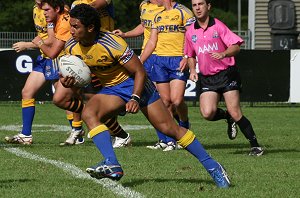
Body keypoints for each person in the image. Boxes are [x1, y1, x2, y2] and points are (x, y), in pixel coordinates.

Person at [65, 4, 231, 188]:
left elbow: (139, 72)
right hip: (112, 89)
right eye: (70, 26)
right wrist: (69, 82)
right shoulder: (71, 47)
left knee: (170, 130)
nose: (71, 30)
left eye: (75, 26)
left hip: (137, 85)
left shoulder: (112, 43)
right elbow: (76, 75)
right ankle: (111, 162)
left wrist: (135, 97)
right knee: (90, 113)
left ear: (90, 28)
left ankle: (213, 166)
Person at [184, 0, 264, 156]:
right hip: (207, 77)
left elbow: (236, 46)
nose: (198, 8)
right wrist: (192, 69)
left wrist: (224, 53)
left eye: (201, 4)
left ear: (208, 6)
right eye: (194, 5)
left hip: (226, 74)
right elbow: (190, 55)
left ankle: (255, 146)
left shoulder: (218, 26)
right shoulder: (190, 32)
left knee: (235, 111)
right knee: (207, 113)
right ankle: (227, 117)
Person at [4, 0, 79, 145]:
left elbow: (51, 40)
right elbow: (44, 37)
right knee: (27, 91)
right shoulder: (37, 9)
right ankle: (26, 135)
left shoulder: (59, 11)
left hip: (59, 57)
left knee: (63, 98)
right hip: (44, 57)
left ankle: (77, 132)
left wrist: (28, 45)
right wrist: (37, 44)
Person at [70, 0, 132, 148]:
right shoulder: (76, 4)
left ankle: (114, 130)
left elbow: (94, 8)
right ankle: (84, 128)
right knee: (66, 98)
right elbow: (75, 18)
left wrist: (82, 12)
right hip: (86, 51)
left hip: (106, 50)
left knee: (167, 126)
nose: (72, 28)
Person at [139, 0, 194, 151]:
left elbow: (192, 37)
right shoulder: (158, 14)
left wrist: (186, 56)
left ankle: (184, 124)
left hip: (177, 60)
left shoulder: (184, 12)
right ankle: (171, 140)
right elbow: (152, 41)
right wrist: (140, 60)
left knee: (177, 100)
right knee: (165, 101)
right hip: (160, 61)